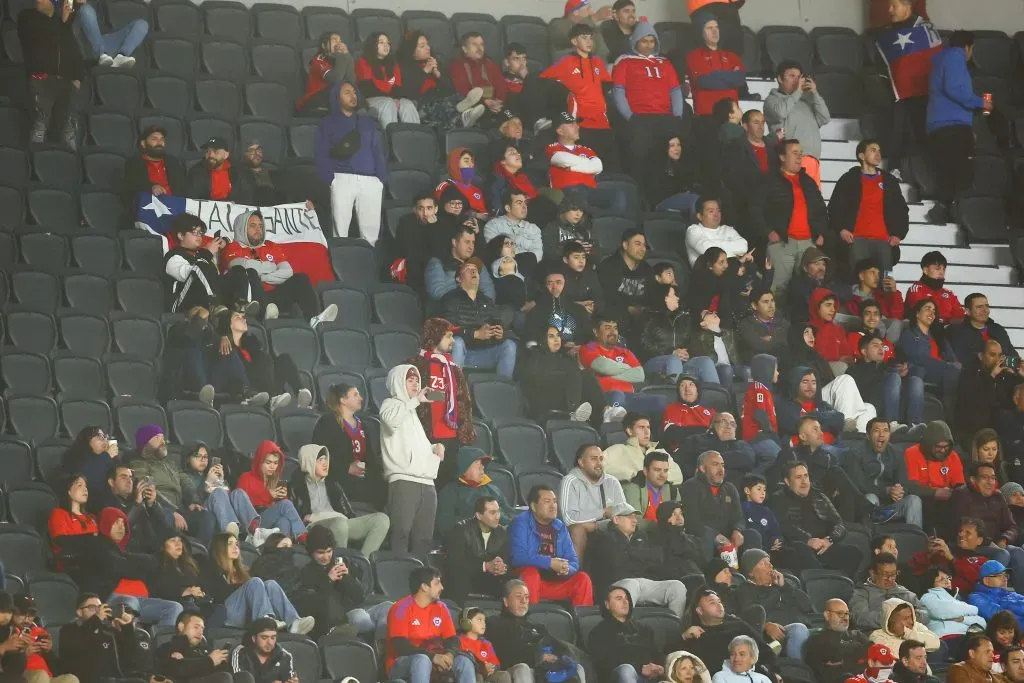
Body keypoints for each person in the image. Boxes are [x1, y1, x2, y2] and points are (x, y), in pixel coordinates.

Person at [220, 211, 337, 329]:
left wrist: (262, 276)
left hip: (275, 296)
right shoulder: (232, 247)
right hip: (253, 300)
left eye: (260, 226)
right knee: (251, 273)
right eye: (252, 225)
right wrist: (271, 267)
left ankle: (314, 319)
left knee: (300, 278)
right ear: (242, 227)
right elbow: (240, 266)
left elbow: (287, 272)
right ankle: (266, 310)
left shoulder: (271, 246)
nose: (258, 229)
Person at [925, 31, 992, 225]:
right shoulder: (955, 56)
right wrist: (981, 103)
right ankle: (947, 210)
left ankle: (945, 209)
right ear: (968, 47)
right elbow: (955, 88)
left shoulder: (940, 60)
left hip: (939, 124)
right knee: (962, 171)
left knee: (948, 170)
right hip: (953, 125)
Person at [751, 140, 828, 301]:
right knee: (778, 290)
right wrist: (768, 232)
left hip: (808, 244)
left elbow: (821, 209)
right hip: (782, 243)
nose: (800, 157)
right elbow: (754, 209)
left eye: (801, 153)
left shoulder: (808, 182)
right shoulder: (769, 180)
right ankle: (778, 324)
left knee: (810, 289)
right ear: (782, 157)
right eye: (795, 153)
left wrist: (821, 232)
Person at [380, 364, 444, 555]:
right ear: (398, 382)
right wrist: (415, 400)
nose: (415, 383)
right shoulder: (390, 404)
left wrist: (435, 448)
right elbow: (391, 422)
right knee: (401, 535)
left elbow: (416, 445)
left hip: (427, 482)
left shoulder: (412, 411)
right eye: (410, 380)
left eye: (417, 380)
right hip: (404, 480)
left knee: (424, 540)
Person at [314, 81, 387, 243]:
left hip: (371, 180)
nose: (353, 96)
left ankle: (368, 265)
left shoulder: (367, 122)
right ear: (336, 97)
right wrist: (332, 180)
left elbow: (377, 151)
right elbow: (321, 154)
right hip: (342, 178)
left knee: (371, 235)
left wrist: (380, 180)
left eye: (354, 92)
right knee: (340, 231)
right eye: (347, 92)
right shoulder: (328, 123)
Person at [874, 0, 940, 176]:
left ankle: (928, 178)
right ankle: (895, 168)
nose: (890, 10)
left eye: (894, 6)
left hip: (925, 93)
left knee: (924, 135)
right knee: (897, 128)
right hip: (899, 94)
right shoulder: (886, 34)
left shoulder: (926, 30)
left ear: (907, 6)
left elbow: (936, 60)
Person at [611, 23, 686, 178]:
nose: (648, 45)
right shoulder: (624, 62)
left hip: (664, 118)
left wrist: (677, 116)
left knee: (667, 163)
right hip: (640, 119)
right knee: (642, 163)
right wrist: (630, 117)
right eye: (644, 41)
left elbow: (675, 91)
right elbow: (618, 91)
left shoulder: (665, 63)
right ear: (636, 41)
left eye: (652, 41)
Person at [588, 502, 688, 617]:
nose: (635, 520)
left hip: (645, 582)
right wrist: (642, 558)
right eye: (629, 517)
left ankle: (674, 628)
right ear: (616, 519)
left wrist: (629, 553)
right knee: (632, 583)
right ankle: (625, 630)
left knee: (677, 586)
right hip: (617, 584)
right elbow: (616, 566)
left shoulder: (642, 536)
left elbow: (658, 560)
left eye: (635, 517)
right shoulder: (604, 539)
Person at [290, 444, 390, 554]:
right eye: (320, 460)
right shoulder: (296, 486)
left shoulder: (333, 484)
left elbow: (347, 513)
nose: (325, 463)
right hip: (315, 529)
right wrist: (316, 517)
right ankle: (341, 563)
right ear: (308, 462)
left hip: (340, 523)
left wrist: (316, 516)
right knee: (339, 523)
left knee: (382, 519)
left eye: (325, 459)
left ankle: (362, 563)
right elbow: (299, 520)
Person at [541, 24, 618, 166]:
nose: (589, 42)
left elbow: (607, 83)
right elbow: (544, 80)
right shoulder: (566, 62)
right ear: (574, 42)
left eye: (591, 38)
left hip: (602, 122)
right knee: (587, 165)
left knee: (608, 165)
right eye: (584, 38)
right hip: (581, 124)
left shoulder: (597, 62)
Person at [828, 139, 909, 273]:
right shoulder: (849, 179)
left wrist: (898, 234)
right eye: (873, 150)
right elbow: (835, 207)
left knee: (885, 284)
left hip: (884, 241)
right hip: (856, 240)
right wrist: (842, 229)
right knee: (858, 283)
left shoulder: (889, 180)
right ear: (861, 156)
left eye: (879, 151)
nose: (878, 154)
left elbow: (901, 209)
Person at [771, 461, 863, 576]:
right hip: (798, 547)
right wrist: (807, 540)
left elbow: (839, 524)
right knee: (800, 551)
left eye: (806, 476)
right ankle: (821, 582)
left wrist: (829, 540)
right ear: (787, 481)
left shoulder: (819, 496)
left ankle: (839, 586)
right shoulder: (778, 498)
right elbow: (784, 526)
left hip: (823, 547)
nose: (804, 481)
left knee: (854, 552)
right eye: (798, 477)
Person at [385, 566, 475, 683]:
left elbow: (452, 639)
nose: (442, 587)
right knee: (422, 660)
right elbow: (401, 646)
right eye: (437, 583)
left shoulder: (441, 607)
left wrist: (449, 655)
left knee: (464, 661)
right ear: (424, 587)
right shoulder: (401, 608)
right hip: (401, 663)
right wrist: (433, 657)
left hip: (435, 659)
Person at [297, 525, 389, 638]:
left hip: (355, 611)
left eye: (329, 551)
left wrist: (347, 577)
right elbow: (312, 605)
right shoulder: (307, 572)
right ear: (311, 553)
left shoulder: (340, 563)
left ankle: (380, 646)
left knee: (389, 607)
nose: (326, 557)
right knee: (361, 617)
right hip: (337, 622)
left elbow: (359, 597)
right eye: (321, 553)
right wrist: (328, 580)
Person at [508, 484, 594, 606]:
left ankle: (582, 622)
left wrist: (566, 569)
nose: (553, 506)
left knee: (582, 579)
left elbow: (574, 561)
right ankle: (530, 620)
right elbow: (517, 557)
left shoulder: (560, 526)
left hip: (555, 582)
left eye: (554, 502)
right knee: (531, 573)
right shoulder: (520, 523)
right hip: (529, 582)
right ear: (533, 506)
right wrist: (549, 563)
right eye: (547, 501)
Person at [487, 580, 585, 683]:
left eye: (526, 597)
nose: (523, 601)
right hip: (513, 670)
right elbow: (503, 655)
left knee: (577, 668)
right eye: (518, 596)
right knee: (523, 668)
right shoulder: (494, 624)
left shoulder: (538, 627)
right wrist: (538, 656)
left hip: (541, 671)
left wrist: (558, 658)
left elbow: (551, 648)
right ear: (506, 601)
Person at [18, 0, 84, 149]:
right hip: (41, 79)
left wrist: (77, 78)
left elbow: (73, 50)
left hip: (66, 80)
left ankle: (70, 161)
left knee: (69, 128)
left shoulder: (61, 23)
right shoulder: (26, 17)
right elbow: (41, 36)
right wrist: (62, 21)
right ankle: (35, 159)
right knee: (40, 125)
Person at [580, 315, 669, 422]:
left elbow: (639, 375)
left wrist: (607, 373)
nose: (613, 332)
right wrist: (627, 369)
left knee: (661, 401)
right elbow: (603, 366)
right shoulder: (588, 348)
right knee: (618, 395)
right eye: (608, 328)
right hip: (606, 396)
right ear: (596, 332)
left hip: (631, 395)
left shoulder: (624, 352)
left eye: (615, 328)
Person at [669, 589, 777, 677]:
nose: (719, 605)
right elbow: (672, 660)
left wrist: (771, 673)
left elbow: (765, 651)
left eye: (719, 602)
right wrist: (683, 637)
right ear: (700, 611)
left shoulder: (738, 625)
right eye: (712, 603)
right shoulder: (696, 634)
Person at [311, 383, 386, 509]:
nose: (361, 398)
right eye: (355, 395)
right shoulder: (328, 422)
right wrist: (346, 468)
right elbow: (318, 454)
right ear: (343, 400)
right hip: (336, 479)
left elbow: (370, 458)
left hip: (360, 480)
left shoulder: (363, 426)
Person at [441, 259, 518, 378]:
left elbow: (497, 321)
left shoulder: (486, 300)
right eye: (468, 269)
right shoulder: (450, 299)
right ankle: (454, 389)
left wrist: (499, 332)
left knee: (509, 345)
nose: (473, 272)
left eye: (475, 270)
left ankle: (502, 390)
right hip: (460, 352)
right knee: (457, 342)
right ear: (458, 278)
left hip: (484, 353)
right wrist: (475, 334)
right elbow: (447, 328)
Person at [734, 549, 814, 658]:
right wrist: (766, 625)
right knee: (798, 630)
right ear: (751, 572)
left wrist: (785, 587)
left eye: (769, 562)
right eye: (763, 563)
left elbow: (807, 606)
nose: (770, 565)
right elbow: (749, 614)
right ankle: (797, 670)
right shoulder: (745, 590)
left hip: (805, 629)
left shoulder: (781, 585)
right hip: (780, 635)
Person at [843, 419, 924, 527]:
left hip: (889, 506)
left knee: (914, 500)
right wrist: (886, 491)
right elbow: (859, 485)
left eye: (885, 430)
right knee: (871, 498)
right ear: (868, 435)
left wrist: (899, 490)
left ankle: (916, 539)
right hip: (865, 504)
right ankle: (871, 539)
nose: (881, 435)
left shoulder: (897, 453)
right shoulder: (855, 453)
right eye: (877, 430)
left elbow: (904, 481)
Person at [520, 324, 603, 425]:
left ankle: (605, 412)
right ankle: (573, 412)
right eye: (551, 336)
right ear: (543, 339)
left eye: (558, 336)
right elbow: (534, 380)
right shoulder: (535, 355)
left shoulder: (564, 357)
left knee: (586, 375)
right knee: (573, 373)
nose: (556, 339)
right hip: (542, 398)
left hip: (563, 397)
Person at [764, 62, 831, 186]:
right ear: (779, 78)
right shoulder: (772, 100)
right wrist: (798, 92)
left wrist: (815, 93)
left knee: (812, 202)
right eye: (791, 76)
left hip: (812, 161)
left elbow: (825, 118)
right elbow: (780, 113)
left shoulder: (805, 101)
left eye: (798, 77)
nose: (796, 80)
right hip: (789, 161)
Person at [638, 284, 720, 386]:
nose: (677, 298)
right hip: (654, 361)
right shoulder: (648, 317)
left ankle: (716, 397)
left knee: (705, 361)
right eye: (673, 295)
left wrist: (688, 352)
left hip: (681, 362)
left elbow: (691, 342)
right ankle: (674, 397)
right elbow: (643, 345)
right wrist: (671, 352)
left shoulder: (684, 318)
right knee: (674, 359)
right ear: (665, 298)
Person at [59, 592, 149, 683]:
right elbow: (76, 650)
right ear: (79, 612)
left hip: (111, 679)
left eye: (100, 607)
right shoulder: (68, 630)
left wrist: (127, 628)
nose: (98, 611)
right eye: (92, 608)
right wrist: (96, 619)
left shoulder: (107, 632)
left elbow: (128, 656)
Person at [558, 444, 626, 559]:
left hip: (606, 529)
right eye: (594, 459)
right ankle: (576, 574)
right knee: (577, 530)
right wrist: (603, 512)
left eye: (601, 459)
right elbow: (569, 518)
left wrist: (596, 525)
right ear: (581, 462)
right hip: (583, 533)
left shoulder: (612, 481)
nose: (599, 463)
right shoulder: (569, 481)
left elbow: (622, 512)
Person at [585, 585, 663, 683]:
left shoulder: (645, 629)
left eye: (627, 599)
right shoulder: (598, 632)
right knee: (626, 670)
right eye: (619, 599)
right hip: (618, 677)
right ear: (607, 604)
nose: (625, 602)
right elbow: (604, 663)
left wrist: (658, 667)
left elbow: (657, 653)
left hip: (650, 677)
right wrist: (640, 668)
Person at [232, 441, 306, 542]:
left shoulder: (276, 481)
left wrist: (282, 496)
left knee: (284, 521)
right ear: (259, 461)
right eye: (268, 462)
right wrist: (268, 495)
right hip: (252, 522)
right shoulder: (246, 477)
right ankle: (303, 536)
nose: (272, 467)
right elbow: (240, 502)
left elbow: (282, 510)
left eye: (275, 463)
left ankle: (281, 549)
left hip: (269, 522)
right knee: (286, 504)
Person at [444, 497, 511, 607]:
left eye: (498, 511)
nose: (498, 516)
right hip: (466, 577)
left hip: (488, 579)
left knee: (512, 584)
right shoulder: (461, 530)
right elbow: (455, 562)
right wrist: (485, 565)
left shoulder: (502, 533)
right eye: (492, 512)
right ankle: (455, 615)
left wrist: (502, 567)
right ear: (479, 515)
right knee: (459, 578)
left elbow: (507, 561)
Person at [157, 611, 256, 683]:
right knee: (223, 678)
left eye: (202, 629)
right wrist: (210, 661)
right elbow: (179, 671)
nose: (200, 632)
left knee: (243, 676)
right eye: (196, 627)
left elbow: (226, 671)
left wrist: (219, 661)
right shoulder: (167, 648)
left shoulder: (206, 649)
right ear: (181, 627)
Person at [848, 336, 925, 429]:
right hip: (873, 409)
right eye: (875, 346)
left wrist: (903, 374)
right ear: (864, 352)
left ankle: (915, 425)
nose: (881, 349)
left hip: (896, 408)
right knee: (893, 377)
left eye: (882, 346)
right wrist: (892, 375)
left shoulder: (888, 368)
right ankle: (891, 424)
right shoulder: (854, 370)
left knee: (915, 381)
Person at [436, 448, 514, 538]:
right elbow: (445, 526)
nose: (482, 467)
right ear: (464, 466)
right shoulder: (450, 492)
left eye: (483, 463)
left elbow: (509, 514)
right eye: (477, 462)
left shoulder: (493, 489)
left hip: (501, 540)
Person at [956, 341, 1024, 444]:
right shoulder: (969, 374)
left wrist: (1020, 377)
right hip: (975, 425)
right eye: (992, 355)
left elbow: (1013, 399)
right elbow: (976, 403)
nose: (997, 359)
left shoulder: (1003, 374)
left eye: (1000, 355)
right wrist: (991, 376)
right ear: (981, 356)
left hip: (1001, 424)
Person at [899, 299, 962, 410]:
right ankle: (949, 413)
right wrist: (946, 365)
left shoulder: (938, 337)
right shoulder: (909, 334)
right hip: (921, 372)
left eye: (934, 311)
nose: (932, 313)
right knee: (952, 372)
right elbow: (918, 357)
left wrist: (954, 364)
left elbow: (952, 358)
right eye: (927, 309)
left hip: (942, 372)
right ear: (917, 314)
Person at [681, 451, 747, 554]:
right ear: (703, 468)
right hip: (704, 537)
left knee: (752, 534)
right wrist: (716, 536)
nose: (721, 470)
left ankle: (754, 569)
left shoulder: (730, 488)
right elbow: (692, 523)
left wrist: (737, 530)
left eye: (722, 465)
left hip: (727, 536)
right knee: (705, 539)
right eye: (715, 465)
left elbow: (739, 517)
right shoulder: (690, 486)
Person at [686, 10, 746, 120]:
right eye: (709, 28)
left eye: (716, 27)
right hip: (706, 115)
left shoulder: (732, 56)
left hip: (732, 116)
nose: (714, 31)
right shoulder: (694, 56)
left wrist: (716, 74)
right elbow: (705, 82)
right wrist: (730, 78)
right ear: (701, 32)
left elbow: (740, 80)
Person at [121, 125, 187, 223]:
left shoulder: (173, 162)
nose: (159, 143)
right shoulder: (134, 162)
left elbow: (183, 187)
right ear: (143, 143)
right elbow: (131, 184)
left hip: (174, 210)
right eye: (154, 139)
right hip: (147, 211)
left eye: (161, 139)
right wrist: (151, 187)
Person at [852, 553, 930, 630]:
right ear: (872, 573)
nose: (890, 579)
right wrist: (891, 618)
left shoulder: (904, 592)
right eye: (885, 575)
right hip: (878, 636)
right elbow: (860, 618)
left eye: (893, 574)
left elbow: (926, 614)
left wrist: (911, 615)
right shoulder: (862, 593)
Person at [355, 32, 420, 125]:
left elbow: (397, 88)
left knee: (407, 104)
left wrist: (396, 99)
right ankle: (390, 137)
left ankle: (413, 136)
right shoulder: (362, 62)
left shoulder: (394, 64)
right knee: (388, 103)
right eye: (381, 42)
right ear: (373, 44)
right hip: (371, 99)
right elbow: (367, 89)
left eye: (388, 43)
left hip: (390, 99)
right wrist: (392, 99)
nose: (386, 45)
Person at [805, 599, 871, 683]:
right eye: (840, 613)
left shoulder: (857, 634)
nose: (845, 618)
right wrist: (859, 651)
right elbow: (830, 662)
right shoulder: (816, 640)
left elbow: (874, 652)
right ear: (827, 615)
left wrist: (844, 660)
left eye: (847, 614)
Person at [605, 413, 684, 483]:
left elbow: (678, 476)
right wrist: (633, 475)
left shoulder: (660, 453)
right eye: (642, 427)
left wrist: (649, 477)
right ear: (629, 431)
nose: (647, 432)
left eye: (648, 427)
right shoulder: (618, 450)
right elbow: (599, 468)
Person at [426, 226, 498, 302]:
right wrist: (465, 302)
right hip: (451, 309)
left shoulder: (477, 263)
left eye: (473, 242)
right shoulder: (438, 263)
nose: (471, 247)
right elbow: (437, 292)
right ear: (454, 242)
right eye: (467, 242)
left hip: (478, 309)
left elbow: (489, 290)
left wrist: (477, 305)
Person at [483, 190, 545, 275]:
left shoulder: (533, 228)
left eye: (525, 203)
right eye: (519, 203)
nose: (524, 206)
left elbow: (537, 255)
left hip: (528, 271)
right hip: (504, 271)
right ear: (508, 208)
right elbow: (495, 252)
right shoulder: (493, 225)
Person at [297, 31, 356, 115]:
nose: (338, 44)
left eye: (340, 41)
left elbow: (352, 81)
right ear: (324, 45)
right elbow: (335, 79)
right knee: (340, 86)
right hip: (314, 102)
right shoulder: (317, 61)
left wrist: (347, 56)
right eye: (334, 40)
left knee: (352, 89)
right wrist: (342, 57)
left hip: (333, 100)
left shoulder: (338, 60)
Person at [870, 600, 942, 668]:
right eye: (905, 619)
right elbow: (898, 656)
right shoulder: (877, 636)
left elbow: (936, 642)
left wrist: (910, 635)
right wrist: (920, 643)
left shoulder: (915, 626)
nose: (911, 621)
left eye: (911, 616)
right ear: (891, 621)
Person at [450, 32, 507, 118]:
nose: (479, 48)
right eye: (475, 45)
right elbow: (462, 90)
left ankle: (513, 119)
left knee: (510, 115)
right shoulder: (457, 65)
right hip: (475, 105)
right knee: (479, 111)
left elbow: (501, 85)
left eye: (481, 45)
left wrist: (498, 101)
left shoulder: (490, 64)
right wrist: (485, 102)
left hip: (497, 106)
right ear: (465, 49)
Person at [952, 294, 1020, 366]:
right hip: (973, 375)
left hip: (1003, 374)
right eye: (979, 307)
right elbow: (962, 360)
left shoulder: (998, 329)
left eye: (987, 306)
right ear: (968, 311)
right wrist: (998, 363)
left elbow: (1015, 359)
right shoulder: (957, 331)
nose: (985, 310)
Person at [918, 566, 985, 638]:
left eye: (948, 578)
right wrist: (974, 610)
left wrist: (963, 619)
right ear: (931, 583)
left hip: (967, 636)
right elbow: (942, 611)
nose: (947, 581)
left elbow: (982, 622)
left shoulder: (957, 600)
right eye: (942, 579)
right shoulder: (927, 597)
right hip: (945, 637)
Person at [845, 262, 905, 340]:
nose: (877, 277)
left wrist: (894, 292)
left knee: (897, 323)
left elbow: (897, 317)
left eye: (878, 274)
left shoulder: (882, 296)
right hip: (862, 333)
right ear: (861, 276)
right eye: (872, 272)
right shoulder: (849, 295)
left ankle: (887, 350)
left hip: (884, 336)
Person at [905, 251, 966, 324]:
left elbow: (960, 315)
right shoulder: (916, 290)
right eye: (937, 269)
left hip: (948, 330)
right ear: (925, 270)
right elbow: (921, 316)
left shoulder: (948, 293)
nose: (942, 273)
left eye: (944, 269)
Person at [185, 137, 253, 203]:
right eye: (207, 151)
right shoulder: (197, 171)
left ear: (226, 155)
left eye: (215, 151)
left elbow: (247, 198)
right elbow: (193, 199)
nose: (210, 155)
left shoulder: (239, 171)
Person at [228, 617, 296, 683]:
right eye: (264, 638)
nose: (270, 643)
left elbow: (288, 679)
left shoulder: (285, 656)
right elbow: (240, 679)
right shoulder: (240, 652)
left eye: (273, 638)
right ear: (254, 638)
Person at [685, 198, 749, 267]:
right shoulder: (693, 230)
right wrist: (736, 254)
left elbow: (744, 246)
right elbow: (708, 250)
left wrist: (715, 245)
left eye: (718, 211)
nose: (716, 215)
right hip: (707, 276)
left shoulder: (728, 229)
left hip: (733, 272)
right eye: (711, 211)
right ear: (700, 216)